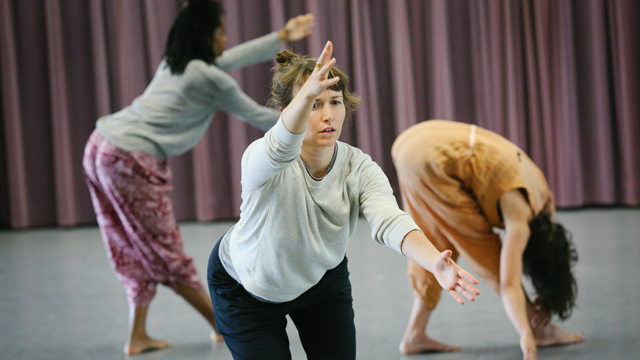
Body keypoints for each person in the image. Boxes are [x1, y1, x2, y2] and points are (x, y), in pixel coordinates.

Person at [207, 42, 481, 360]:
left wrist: (433, 261)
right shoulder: (262, 159)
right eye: (313, 103)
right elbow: (280, 146)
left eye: (335, 101)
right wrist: (306, 94)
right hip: (244, 290)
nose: (328, 114)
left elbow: (389, 220)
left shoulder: (358, 167)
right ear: (287, 113)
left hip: (320, 278)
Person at [82, 0, 314, 354]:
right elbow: (256, 114)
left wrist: (280, 36)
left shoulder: (175, 65)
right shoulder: (209, 78)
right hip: (130, 158)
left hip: (101, 147)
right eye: (220, 32)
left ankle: (137, 336)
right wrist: (308, 119)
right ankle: (222, 326)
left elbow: (229, 59)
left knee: (129, 246)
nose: (225, 37)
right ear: (206, 37)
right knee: (167, 252)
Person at [391, 120, 583, 360]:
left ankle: (414, 334)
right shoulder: (521, 219)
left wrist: (544, 298)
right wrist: (526, 331)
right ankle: (540, 331)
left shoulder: (544, 200)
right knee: (484, 248)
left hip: (412, 142)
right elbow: (508, 281)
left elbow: (550, 261)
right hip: (431, 160)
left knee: (437, 248)